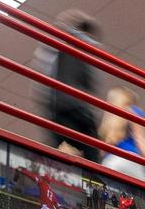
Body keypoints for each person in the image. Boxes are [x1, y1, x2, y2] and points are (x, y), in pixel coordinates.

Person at [34, 9, 100, 162]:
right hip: (74, 110)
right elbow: (90, 84)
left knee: (63, 153)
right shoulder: (79, 49)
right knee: (91, 156)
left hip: (62, 109)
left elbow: (42, 86)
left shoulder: (60, 50)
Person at [99, 86, 145, 185]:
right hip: (129, 161)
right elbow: (140, 139)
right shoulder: (134, 111)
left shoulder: (108, 120)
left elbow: (102, 151)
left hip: (109, 163)